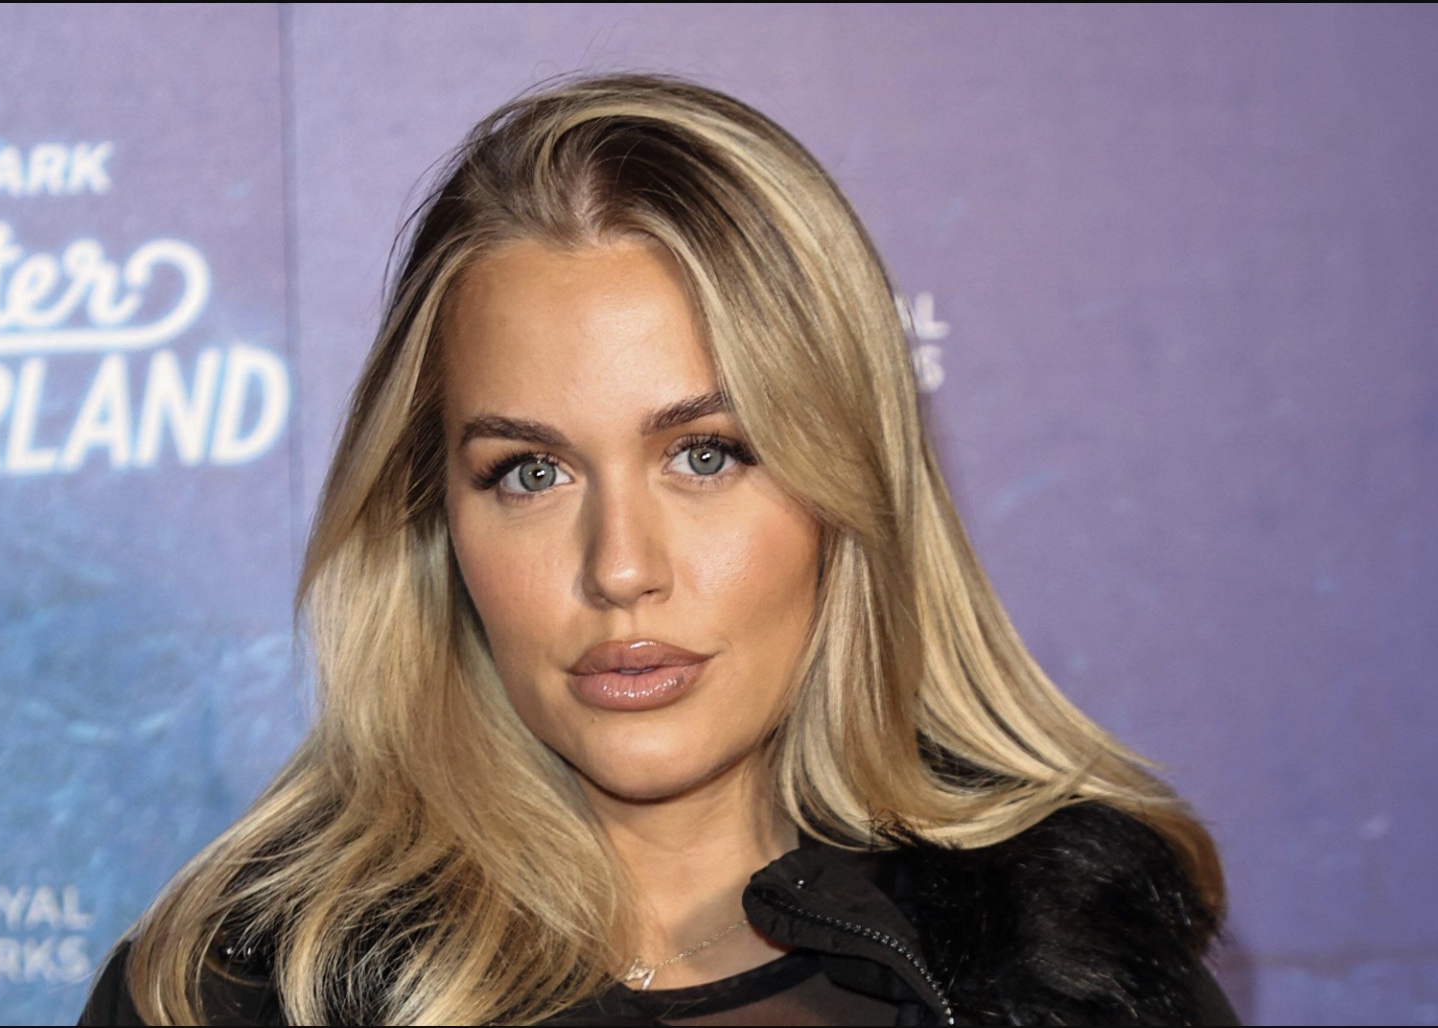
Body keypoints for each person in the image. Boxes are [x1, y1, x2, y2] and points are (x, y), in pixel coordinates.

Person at [80, 74, 1237, 1026]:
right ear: (433, 518)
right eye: (530, 472)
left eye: (706, 454)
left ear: (847, 483)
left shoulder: (1071, 967)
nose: (621, 567)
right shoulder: (233, 991)